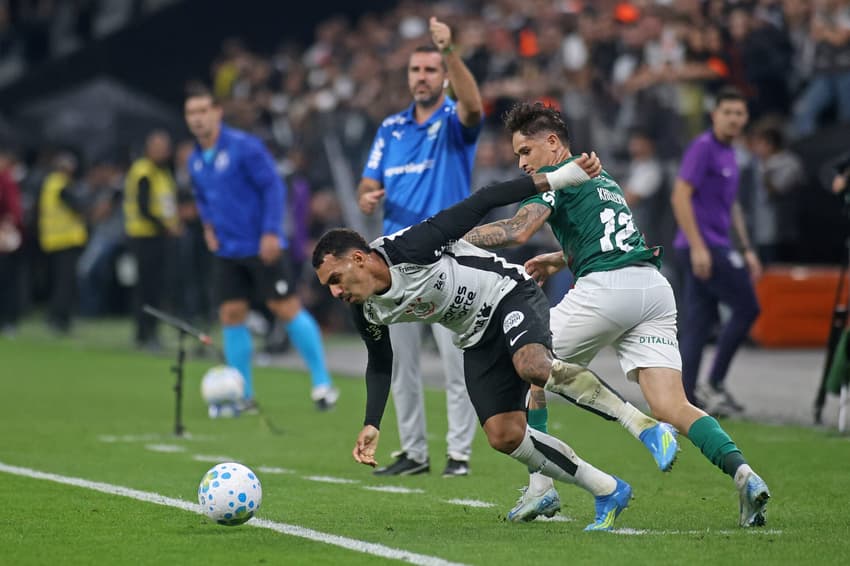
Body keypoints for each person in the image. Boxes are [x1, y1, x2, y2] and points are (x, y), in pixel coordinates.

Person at [463, 101, 770, 528]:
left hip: (606, 290)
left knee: (527, 366)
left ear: (552, 144)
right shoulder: (601, 176)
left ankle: (542, 486)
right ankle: (745, 476)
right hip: (652, 289)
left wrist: (454, 239)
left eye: (525, 152)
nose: (521, 163)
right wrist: (560, 257)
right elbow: (608, 236)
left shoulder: (560, 177)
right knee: (673, 404)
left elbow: (517, 230)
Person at [315, 154, 634, 531]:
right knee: (504, 436)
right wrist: (372, 423)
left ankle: (639, 422)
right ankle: (606, 488)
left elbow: (483, 200)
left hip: (508, 295)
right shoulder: (365, 308)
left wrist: (561, 178)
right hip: (474, 334)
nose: (335, 291)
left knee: (534, 368)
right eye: (328, 286)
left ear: (358, 258)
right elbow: (381, 361)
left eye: (336, 278)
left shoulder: (413, 247)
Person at [356, 17, 483, 477]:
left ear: (444, 75)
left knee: (456, 359)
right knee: (400, 364)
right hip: (393, 258)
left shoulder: (453, 121)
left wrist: (450, 49)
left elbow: (473, 105)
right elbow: (367, 182)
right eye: (416, 70)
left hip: (449, 254)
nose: (422, 78)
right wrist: (367, 195)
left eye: (430, 70)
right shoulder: (390, 128)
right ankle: (413, 452)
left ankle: (459, 455)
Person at [184, 83, 338, 412]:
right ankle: (243, 394)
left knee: (285, 307)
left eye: (202, 111)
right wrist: (209, 227)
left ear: (216, 113)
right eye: (191, 113)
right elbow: (202, 197)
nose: (197, 119)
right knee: (231, 314)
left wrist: (271, 232)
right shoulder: (195, 159)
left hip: (261, 245)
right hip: (227, 250)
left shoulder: (245, 147)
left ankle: (322, 383)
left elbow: (272, 188)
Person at [671, 86, 762, 417]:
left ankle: (685, 398)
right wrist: (698, 247)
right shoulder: (703, 148)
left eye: (740, 113)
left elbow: (731, 204)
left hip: (716, 244)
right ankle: (715, 384)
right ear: (715, 115)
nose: (734, 119)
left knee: (698, 322)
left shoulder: (731, 153)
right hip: (704, 247)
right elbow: (680, 196)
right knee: (748, 307)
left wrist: (747, 247)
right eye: (728, 112)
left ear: (746, 118)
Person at [123, 130, 180, 350]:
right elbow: (143, 207)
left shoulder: (162, 172)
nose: (164, 151)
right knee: (147, 287)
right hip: (144, 237)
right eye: (159, 146)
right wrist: (167, 226)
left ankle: (149, 332)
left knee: (156, 287)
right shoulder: (144, 171)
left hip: (158, 237)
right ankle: (145, 332)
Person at [37, 151, 86, 335]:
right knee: (65, 283)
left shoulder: (50, 183)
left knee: (58, 282)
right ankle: (60, 319)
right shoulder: (60, 184)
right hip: (64, 240)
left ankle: (55, 316)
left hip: (54, 240)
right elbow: (77, 206)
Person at [747, 117, 805, 265]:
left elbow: (776, 190)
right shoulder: (754, 164)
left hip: (780, 235)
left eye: (757, 143)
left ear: (769, 144)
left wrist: (764, 171)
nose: (753, 148)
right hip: (757, 233)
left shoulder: (790, 163)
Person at [0, 146, 23, 336]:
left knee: (6, 279)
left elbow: (14, 211)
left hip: (5, 237)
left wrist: (9, 225)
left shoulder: (7, 180)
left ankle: (8, 320)